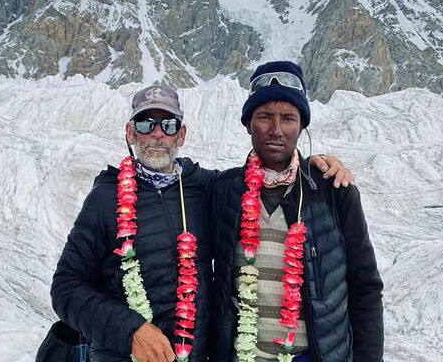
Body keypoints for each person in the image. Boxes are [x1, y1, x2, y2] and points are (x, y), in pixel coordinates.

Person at [50, 84, 354, 362]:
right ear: (131, 133)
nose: (157, 134)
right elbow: (66, 287)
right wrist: (131, 331)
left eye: (168, 125)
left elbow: (261, 179)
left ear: (181, 135)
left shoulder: (206, 188)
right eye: (146, 124)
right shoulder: (104, 199)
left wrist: (315, 165)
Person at [209, 61, 384, 362]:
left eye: (288, 118)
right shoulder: (225, 191)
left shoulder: (332, 190)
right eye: (264, 117)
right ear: (249, 123)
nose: (276, 130)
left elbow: (364, 286)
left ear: (302, 126)